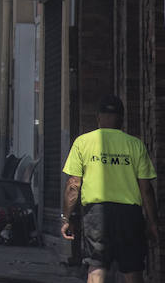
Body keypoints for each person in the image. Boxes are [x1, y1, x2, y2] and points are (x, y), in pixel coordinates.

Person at [62, 95, 158, 282]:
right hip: (130, 215)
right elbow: (146, 190)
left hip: (96, 214)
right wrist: (153, 222)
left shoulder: (82, 142)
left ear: (98, 117)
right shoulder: (135, 145)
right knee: (133, 267)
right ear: (121, 118)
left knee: (97, 265)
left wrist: (66, 218)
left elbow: (73, 185)